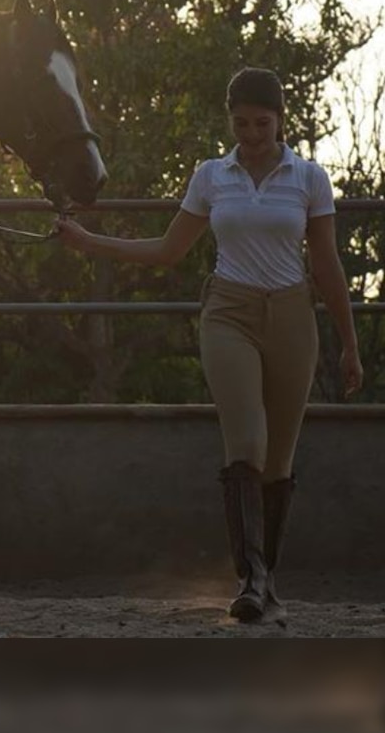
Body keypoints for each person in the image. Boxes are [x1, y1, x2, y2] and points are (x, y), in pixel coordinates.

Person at [55, 67, 363, 625]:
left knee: (279, 460)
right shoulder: (211, 176)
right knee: (245, 442)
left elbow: (327, 264)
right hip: (228, 312)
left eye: (261, 123)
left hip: (293, 317)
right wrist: (88, 241)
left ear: (280, 121)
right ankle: (251, 580)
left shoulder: (309, 178)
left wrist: (349, 343)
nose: (250, 133)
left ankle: (266, 581)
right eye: (241, 122)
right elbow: (169, 250)